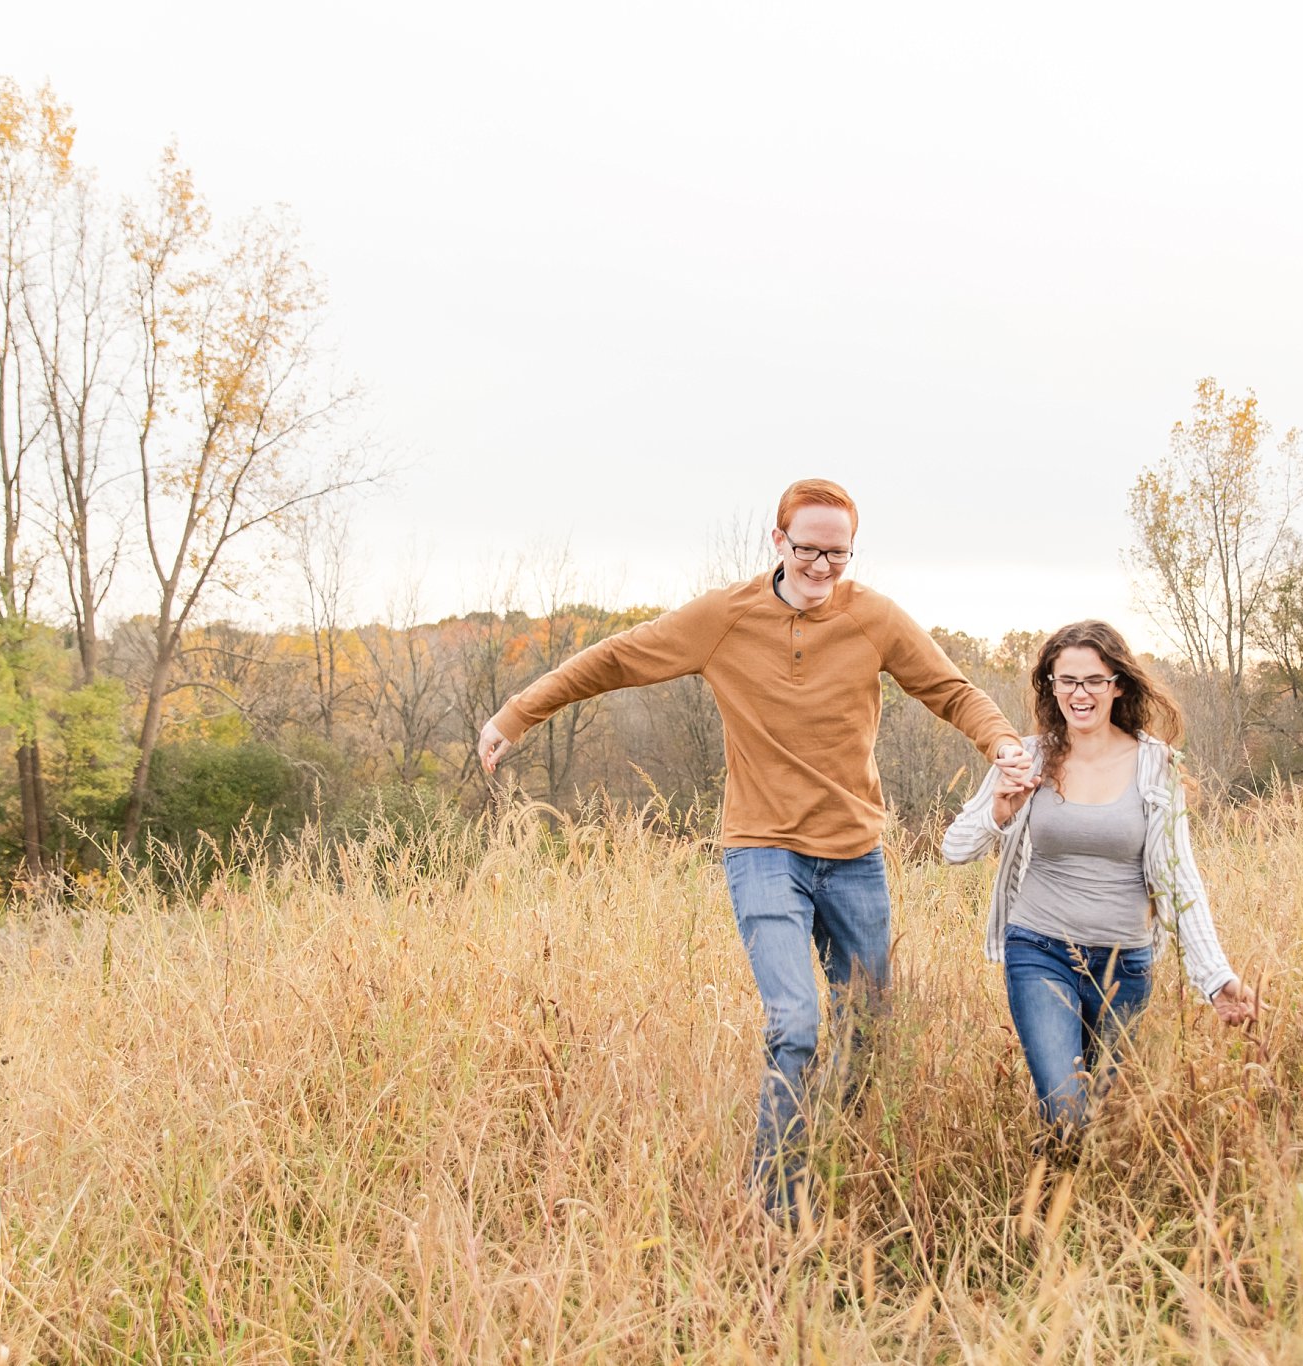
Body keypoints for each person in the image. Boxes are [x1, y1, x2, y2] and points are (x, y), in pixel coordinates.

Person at [477, 479, 1029, 1219]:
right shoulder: (724, 618)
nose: (823, 567)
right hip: (763, 849)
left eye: (838, 553)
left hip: (854, 853)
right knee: (796, 1021)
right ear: (778, 541)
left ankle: (826, 1146)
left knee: (867, 1028)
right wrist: (517, 713)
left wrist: (1001, 741)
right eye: (809, 549)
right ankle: (774, 1204)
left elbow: (952, 689)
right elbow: (616, 659)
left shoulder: (873, 618)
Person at [943, 619, 1256, 1148]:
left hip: (1124, 966)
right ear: (1051, 686)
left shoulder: (1154, 764)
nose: (1079, 693)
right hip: (1039, 949)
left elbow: (1178, 879)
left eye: (1093, 680)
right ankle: (1050, 1197)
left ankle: (1060, 1196)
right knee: (1066, 1107)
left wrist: (1215, 977)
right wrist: (999, 809)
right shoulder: (1028, 756)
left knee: (1096, 1120)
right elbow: (955, 850)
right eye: (1065, 681)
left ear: (1117, 684)